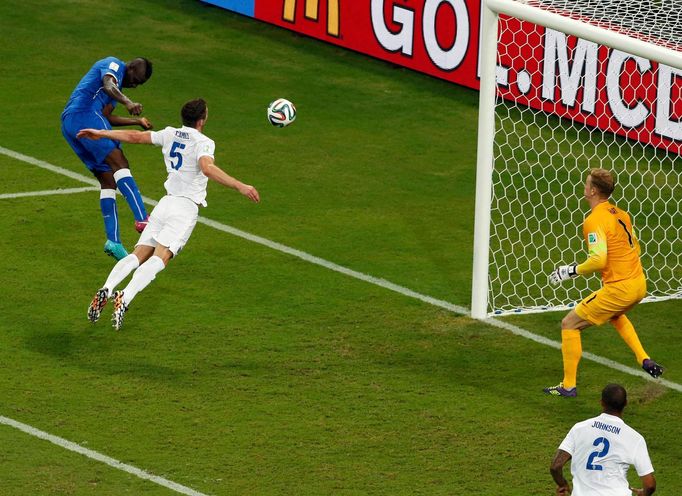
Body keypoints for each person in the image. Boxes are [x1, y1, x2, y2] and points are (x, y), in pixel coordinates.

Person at [77, 98, 260, 330]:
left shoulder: (170, 133)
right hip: (184, 208)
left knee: (138, 253)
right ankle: (126, 297)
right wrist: (240, 186)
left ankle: (107, 287)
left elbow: (136, 137)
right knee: (160, 257)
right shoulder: (204, 142)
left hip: (164, 203)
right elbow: (207, 168)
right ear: (202, 120)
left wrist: (101, 133)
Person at [544, 168, 664, 397]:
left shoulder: (594, 220)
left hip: (620, 288)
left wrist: (569, 271)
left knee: (569, 324)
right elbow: (635, 247)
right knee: (615, 314)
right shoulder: (621, 214)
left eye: (586, 184)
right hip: (638, 284)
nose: (584, 187)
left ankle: (568, 386)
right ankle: (644, 359)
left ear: (592, 190)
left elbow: (598, 260)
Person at [61, 56, 154, 261]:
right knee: (119, 162)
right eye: (135, 79)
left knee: (108, 179)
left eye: (139, 84)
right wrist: (128, 102)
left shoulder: (115, 91)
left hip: (72, 124)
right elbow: (108, 83)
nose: (134, 85)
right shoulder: (113, 65)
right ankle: (142, 219)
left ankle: (113, 241)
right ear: (129, 67)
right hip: (84, 115)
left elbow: (108, 117)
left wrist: (136, 121)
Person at [550, 384, 656, 496]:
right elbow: (650, 485)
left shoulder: (579, 428)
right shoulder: (634, 438)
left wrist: (563, 484)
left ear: (601, 402)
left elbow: (556, 466)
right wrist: (643, 493)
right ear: (625, 403)